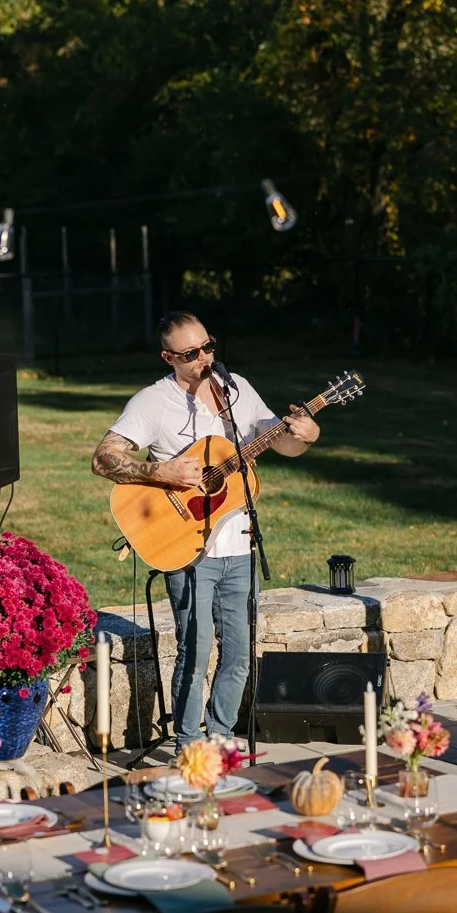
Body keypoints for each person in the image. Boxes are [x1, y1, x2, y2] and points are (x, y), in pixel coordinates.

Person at [91, 310, 319, 751]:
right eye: (191, 353)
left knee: (238, 653)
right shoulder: (152, 402)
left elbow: (282, 442)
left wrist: (306, 434)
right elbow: (103, 459)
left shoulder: (237, 389)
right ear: (168, 358)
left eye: (208, 347)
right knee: (194, 653)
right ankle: (189, 744)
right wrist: (161, 471)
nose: (204, 358)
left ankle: (221, 739)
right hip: (188, 548)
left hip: (240, 545)